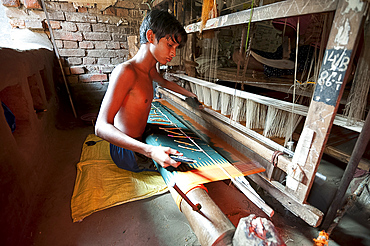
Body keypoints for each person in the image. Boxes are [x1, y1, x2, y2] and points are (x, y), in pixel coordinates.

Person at [95, 9, 197, 173]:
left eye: (176, 47)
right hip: (127, 151)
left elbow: (164, 82)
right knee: (185, 167)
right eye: (170, 45)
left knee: (184, 136)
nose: (173, 53)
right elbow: (100, 127)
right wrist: (150, 151)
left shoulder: (150, 70)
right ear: (150, 37)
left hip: (141, 136)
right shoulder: (126, 72)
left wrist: (191, 96)